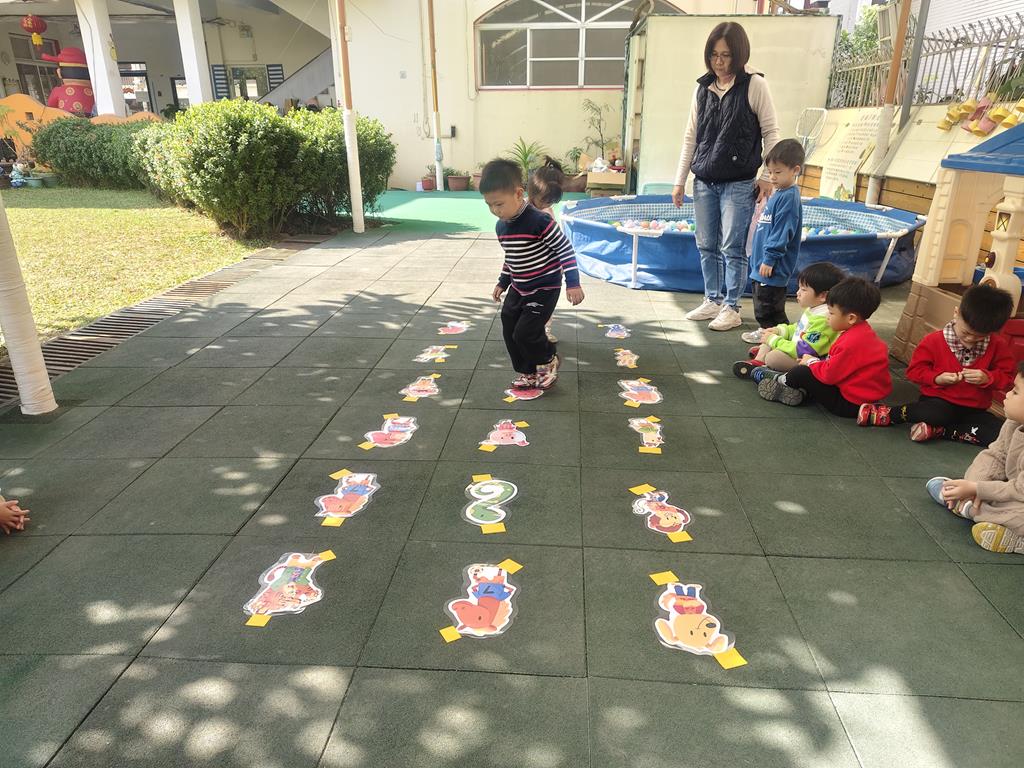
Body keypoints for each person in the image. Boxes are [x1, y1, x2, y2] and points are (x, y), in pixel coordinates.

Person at [672, 21, 780, 332]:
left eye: (726, 55)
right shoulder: (703, 88)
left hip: (739, 182)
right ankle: (712, 299)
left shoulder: (754, 85)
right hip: (704, 180)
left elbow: (771, 132)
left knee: (733, 247)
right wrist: (679, 180)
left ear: (739, 54)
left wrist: (767, 176)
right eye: (714, 55)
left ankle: (732, 306)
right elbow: (691, 137)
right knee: (706, 244)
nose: (719, 62)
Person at [858, 283, 1015, 445]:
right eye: (966, 332)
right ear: (956, 313)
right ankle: (891, 414)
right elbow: (914, 372)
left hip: (975, 410)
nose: (970, 339)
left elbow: (1008, 378)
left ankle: (941, 431)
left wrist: (987, 378)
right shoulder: (934, 341)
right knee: (933, 414)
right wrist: (937, 378)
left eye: (979, 337)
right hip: (938, 403)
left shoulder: (998, 346)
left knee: (1001, 433)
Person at [480, 158, 585, 390]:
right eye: (489, 205)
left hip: (544, 287)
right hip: (519, 286)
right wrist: (503, 281)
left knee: (525, 332)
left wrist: (573, 283)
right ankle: (527, 371)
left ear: (519, 194)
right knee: (509, 326)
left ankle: (548, 359)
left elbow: (565, 249)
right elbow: (512, 256)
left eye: (499, 204)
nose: (495, 211)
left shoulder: (540, 221)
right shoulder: (502, 226)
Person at [925, 364, 1024, 555]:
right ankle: (971, 504)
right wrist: (974, 484)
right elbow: (996, 455)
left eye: (1016, 392)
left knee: (1018, 514)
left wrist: (978, 490)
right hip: (1015, 492)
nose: (1007, 395)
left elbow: (1021, 490)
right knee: (988, 490)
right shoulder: (1014, 422)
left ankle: (967, 508)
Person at [757, 277, 891, 416]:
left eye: (831, 313)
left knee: (801, 372)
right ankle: (801, 392)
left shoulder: (849, 343)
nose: (827, 317)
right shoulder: (864, 332)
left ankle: (778, 380)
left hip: (849, 404)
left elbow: (828, 376)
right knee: (809, 370)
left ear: (851, 318)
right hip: (865, 398)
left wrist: (810, 362)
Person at [733, 261, 846, 378]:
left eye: (803, 290)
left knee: (773, 357)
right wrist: (779, 331)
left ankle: (765, 363)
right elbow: (798, 328)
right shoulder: (814, 309)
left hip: (805, 359)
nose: (798, 293)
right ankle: (760, 360)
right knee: (771, 335)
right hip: (795, 350)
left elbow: (805, 350)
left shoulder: (824, 319)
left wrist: (774, 341)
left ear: (823, 296)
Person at [528, 156, 567, 343]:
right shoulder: (523, 209)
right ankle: (533, 330)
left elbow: (558, 242)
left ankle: (544, 329)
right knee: (528, 302)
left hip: (547, 268)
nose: (548, 204)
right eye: (545, 200)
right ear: (532, 192)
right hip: (529, 266)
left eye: (551, 201)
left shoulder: (546, 212)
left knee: (544, 304)